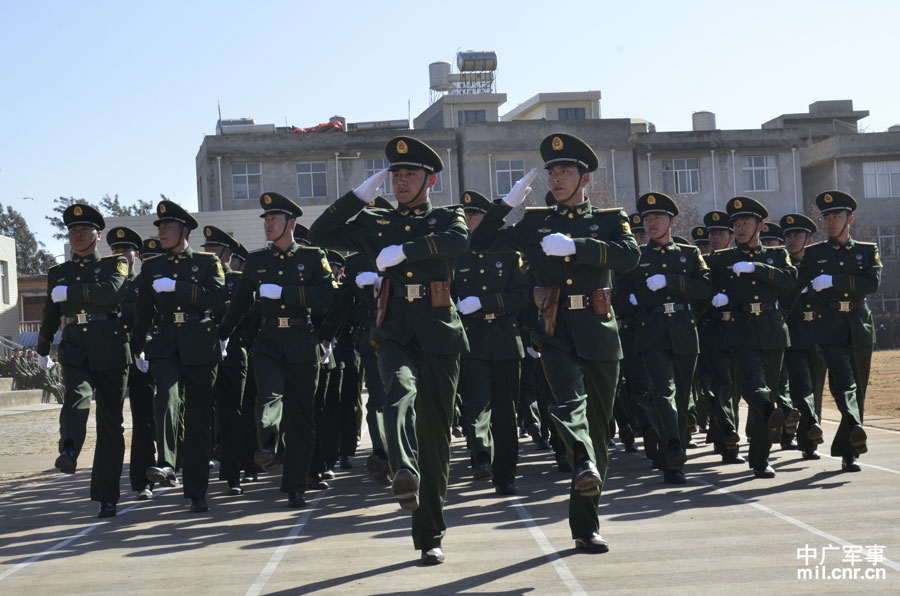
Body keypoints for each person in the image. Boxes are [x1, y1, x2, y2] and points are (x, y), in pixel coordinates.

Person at [469, 132, 640, 553]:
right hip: (554, 328)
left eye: (566, 171)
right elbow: (479, 242)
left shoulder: (610, 219)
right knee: (566, 402)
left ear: (584, 178)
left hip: (599, 328)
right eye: (553, 171)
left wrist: (578, 246)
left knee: (599, 433)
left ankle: (585, 526)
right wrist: (505, 205)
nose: (557, 178)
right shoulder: (534, 222)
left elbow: (628, 256)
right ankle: (580, 458)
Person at [309, 136, 469, 565]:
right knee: (398, 391)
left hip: (438, 330)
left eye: (410, 174)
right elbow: (318, 233)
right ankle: (402, 466)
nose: (400, 182)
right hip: (394, 327)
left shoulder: (448, 217)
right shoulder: (375, 222)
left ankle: (430, 533)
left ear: (430, 179)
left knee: (435, 439)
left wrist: (408, 251)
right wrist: (358, 197)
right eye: (396, 175)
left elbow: (458, 243)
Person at [218, 192, 336, 507]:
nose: (268, 224)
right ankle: (268, 445)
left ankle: (295, 484)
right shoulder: (257, 261)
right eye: (266, 219)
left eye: (274, 219)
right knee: (268, 395)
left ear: (291, 223)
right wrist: (223, 334)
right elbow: (241, 302)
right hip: (269, 339)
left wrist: (287, 292)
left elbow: (327, 297)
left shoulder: (313, 257)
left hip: (301, 339)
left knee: (301, 416)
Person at [131, 200, 227, 513]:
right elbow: (144, 311)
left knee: (199, 421)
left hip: (200, 343)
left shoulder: (207, 262)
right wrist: (136, 346)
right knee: (167, 398)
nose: (161, 232)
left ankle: (197, 491)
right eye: (159, 227)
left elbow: (218, 301)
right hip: (166, 344)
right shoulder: (152, 267)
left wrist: (179, 287)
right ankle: (167, 463)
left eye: (167, 226)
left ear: (184, 230)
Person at [36, 204, 131, 518]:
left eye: (83, 230)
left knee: (111, 425)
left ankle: (107, 496)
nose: (77, 236)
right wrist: (42, 348)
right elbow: (50, 314)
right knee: (77, 396)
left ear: (97, 234)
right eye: (72, 231)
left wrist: (72, 292)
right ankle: (69, 450)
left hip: (111, 348)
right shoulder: (57, 274)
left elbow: (110, 294)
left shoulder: (115, 263)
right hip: (75, 347)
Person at [618, 192, 711, 483]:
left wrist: (671, 283)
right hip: (651, 331)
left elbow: (704, 288)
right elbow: (620, 297)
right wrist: (633, 302)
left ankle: (675, 451)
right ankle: (672, 446)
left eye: (657, 218)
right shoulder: (636, 257)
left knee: (682, 396)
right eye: (647, 218)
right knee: (663, 391)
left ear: (671, 221)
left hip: (683, 330)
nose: (651, 223)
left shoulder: (689, 254)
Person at [706, 196, 796, 478]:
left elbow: (790, 281)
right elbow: (703, 287)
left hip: (771, 328)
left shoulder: (777, 255)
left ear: (761, 224)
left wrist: (758, 268)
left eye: (746, 222)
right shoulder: (722, 259)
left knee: (765, 390)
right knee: (754, 386)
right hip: (740, 328)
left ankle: (760, 459)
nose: (741, 228)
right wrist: (717, 299)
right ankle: (772, 409)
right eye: (737, 223)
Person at [797, 190, 879, 471]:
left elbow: (872, 283)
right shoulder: (814, 253)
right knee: (843, 383)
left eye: (837, 216)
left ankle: (849, 450)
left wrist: (834, 280)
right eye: (827, 217)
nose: (831, 222)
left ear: (850, 219)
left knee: (859, 385)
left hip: (859, 324)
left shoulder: (867, 250)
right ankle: (856, 425)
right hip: (828, 326)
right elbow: (799, 286)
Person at [453, 190, 529, 494]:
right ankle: (481, 455)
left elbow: (521, 298)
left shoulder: (509, 254)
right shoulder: (456, 254)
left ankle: (506, 472)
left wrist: (485, 302)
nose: (471, 221)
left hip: (505, 339)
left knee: (505, 409)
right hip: (472, 340)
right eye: (467, 216)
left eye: (476, 216)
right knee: (477, 403)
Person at [108, 226, 159, 501]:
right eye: (115, 250)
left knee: (144, 419)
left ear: (136, 255)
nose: (120, 255)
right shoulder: (107, 283)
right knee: (113, 421)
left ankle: (144, 479)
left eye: (125, 250)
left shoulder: (144, 283)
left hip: (141, 355)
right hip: (114, 356)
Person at [201, 225, 249, 496]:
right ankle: (201, 472)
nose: (207, 253)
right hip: (201, 355)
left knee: (231, 417)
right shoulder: (199, 281)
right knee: (201, 415)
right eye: (205, 248)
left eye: (212, 249)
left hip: (232, 357)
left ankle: (233, 475)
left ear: (227, 254)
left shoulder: (240, 281)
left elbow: (249, 316)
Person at [778, 213, 826, 460]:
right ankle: (805, 429)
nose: (792, 240)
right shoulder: (782, 267)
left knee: (815, 389)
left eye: (797, 235)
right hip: (793, 335)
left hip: (818, 335)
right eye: (788, 236)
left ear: (809, 238)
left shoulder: (820, 266)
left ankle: (807, 442)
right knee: (800, 386)